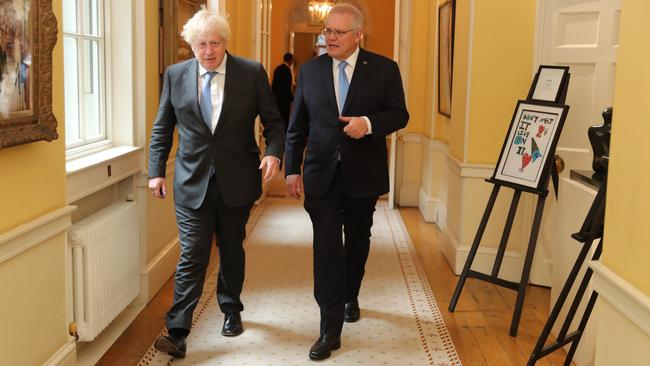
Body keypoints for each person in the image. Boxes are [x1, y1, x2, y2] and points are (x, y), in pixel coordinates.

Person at [148, 7, 285, 358]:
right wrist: (156, 170)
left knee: (231, 247)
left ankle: (231, 308)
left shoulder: (251, 73)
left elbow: (273, 122)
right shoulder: (176, 75)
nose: (208, 51)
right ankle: (178, 331)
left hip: (237, 180)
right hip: (191, 181)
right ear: (191, 45)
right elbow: (163, 125)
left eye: (215, 43)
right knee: (193, 254)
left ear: (226, 42)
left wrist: (272, 152)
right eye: (201, 44)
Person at [284, 4, 409, 361]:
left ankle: (351, 292)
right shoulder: (310, 71)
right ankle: (329, 328)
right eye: (328, 30)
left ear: (358, 35)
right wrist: (292, 169)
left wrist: (368, 123)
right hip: (321, 175)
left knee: (357, 240)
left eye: (339, 32)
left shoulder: (384, 69)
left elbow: (400, 113)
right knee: (326, 248)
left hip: (362, 175)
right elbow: (297, 127)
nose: (331, 37)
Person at [271, 52, 294, 131]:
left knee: (278, 118)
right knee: (285, 118)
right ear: (290, 60)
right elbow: (287, 87)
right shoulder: (287, 71)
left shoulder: (277, 69)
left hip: (277, 99)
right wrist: (292, 98)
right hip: (284, 100)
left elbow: (274, 85)